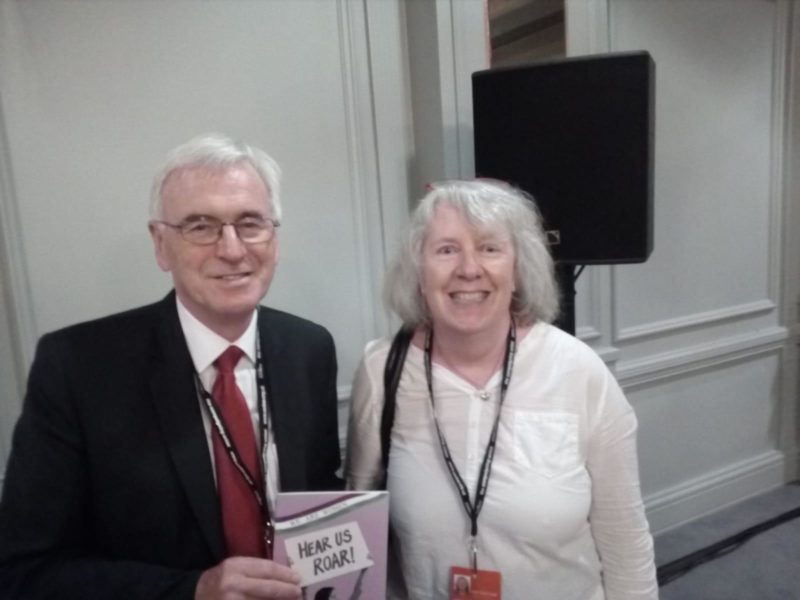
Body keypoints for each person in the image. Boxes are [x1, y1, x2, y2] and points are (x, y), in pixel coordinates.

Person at [0, 133, 342, 599]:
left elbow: (319, 507)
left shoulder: (309, 349)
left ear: (274, 238)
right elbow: (25, 571)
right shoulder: (77, 369)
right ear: (161, 244)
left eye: (250, 223)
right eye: (200, 226)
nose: (232, 249)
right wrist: (192, 591)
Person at [346, 180, 658, 599]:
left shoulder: (578, 370)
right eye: (446, 250)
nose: (469, 268)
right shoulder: (383, 370)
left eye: (490, 248)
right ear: (419, 272)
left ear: (518, 270)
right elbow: (359, 527)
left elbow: (625, 538)